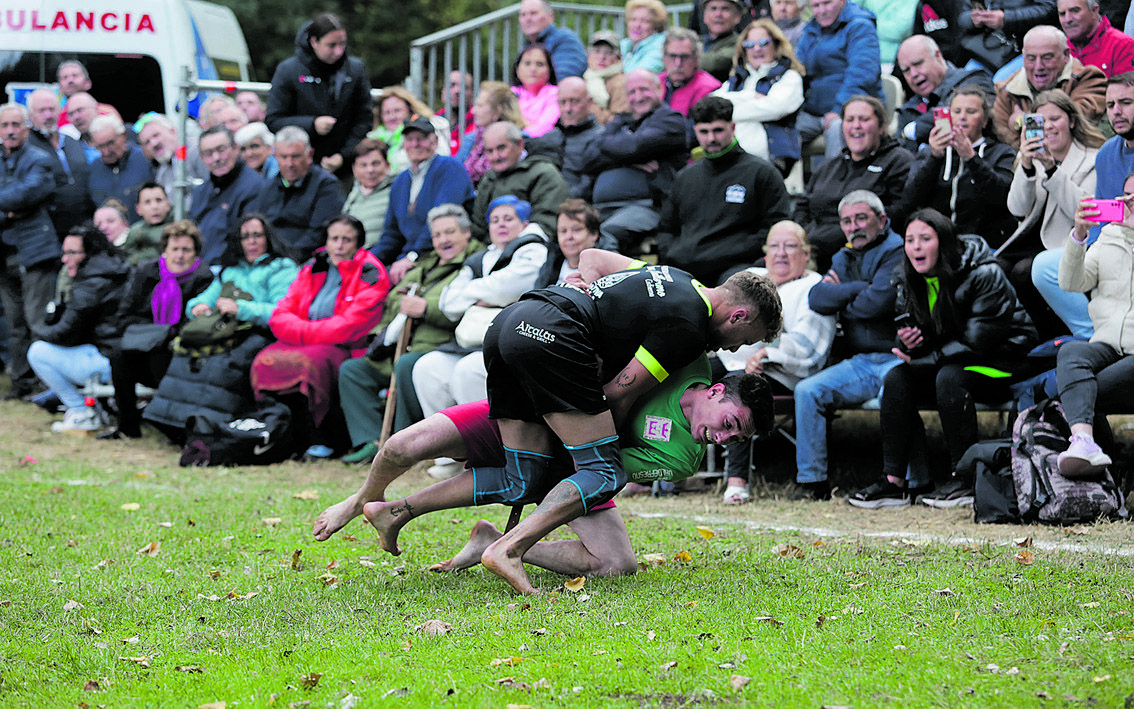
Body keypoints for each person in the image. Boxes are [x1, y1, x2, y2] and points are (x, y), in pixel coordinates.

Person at [461, 251, 781, 594]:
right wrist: (596, 439)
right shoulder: (688, 331)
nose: (735, 350)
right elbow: (617, 395)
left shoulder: (677, 277)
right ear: (739, 316)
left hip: (517, 319)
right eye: (746, 340)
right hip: (554, 346)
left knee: (497, 466)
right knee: (603, 471)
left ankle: (406, 514)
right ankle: (507, 548)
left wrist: (585, 288)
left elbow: (591, 256)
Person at [312, 359, 773, 586]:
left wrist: (531, 505)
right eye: (730, 425)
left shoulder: (682, 458)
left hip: (573, 463)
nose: (724, 440)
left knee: (617, 564)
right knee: (402, 446)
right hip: (530, 416)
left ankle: (494, 543)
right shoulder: (680, 358)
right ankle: (361, 502)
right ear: (714, 391)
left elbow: (597, 472)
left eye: (737, 440)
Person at [854, 208, 1037, 509]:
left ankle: (965, 479)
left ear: (944, 242)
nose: (915, 247)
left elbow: (977, 343)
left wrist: (924, 360)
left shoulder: (984, 273)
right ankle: (895, 482)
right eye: (910, 240)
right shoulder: (906, 276)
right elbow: (908, 326)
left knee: (950, 377)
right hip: (952, 360)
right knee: (898, 378)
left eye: (925, 238)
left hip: (1006, 361)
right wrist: (908, 342)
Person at [338, 203, 485, 465]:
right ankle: (370, 441)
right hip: (400, 345)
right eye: (437, 234)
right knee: (353, 370)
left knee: (407, 366)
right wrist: (407, 302)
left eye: (450, 232)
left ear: (466, 233)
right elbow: (394, 298)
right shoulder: (425, 263)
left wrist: (425, 308)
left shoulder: (475, 265)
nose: (443, 240)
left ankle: (404, 444)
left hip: (440, 346)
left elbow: (462, 309)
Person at [792, 190, 908, 500]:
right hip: (860, 362)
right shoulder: (844, 255)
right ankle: (812, 484)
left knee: (894, 397)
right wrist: (860, 289)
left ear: (882, 220)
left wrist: (843, 296)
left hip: (898, 359)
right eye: (846, 221)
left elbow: (877, 303)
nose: (853, 226)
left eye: (861, 218)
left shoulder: (897, 251)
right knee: (807, 391)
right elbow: (817, 299)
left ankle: (902, 482)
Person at [140, 215, 300, 439]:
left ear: (268, 238)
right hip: (226, 330)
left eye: (257, 235)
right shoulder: (231, 269)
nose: (251, 241)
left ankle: (212, 427)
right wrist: (198, 306)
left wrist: (241, 308)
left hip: (261, 333)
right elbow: (203, 299)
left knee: (222, 363)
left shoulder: (282, 268)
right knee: (187, 351)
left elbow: (282, 312)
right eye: (245, 237)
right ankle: (172, 423)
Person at [715, 221, 836, 504]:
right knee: (683, 374)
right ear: (765, 253)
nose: (781, 253)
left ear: (806, 254)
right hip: (731, 356)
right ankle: (661, 474)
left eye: (791, 246)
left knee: (740, 386)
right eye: (775, 246)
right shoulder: (750, 277)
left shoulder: (813, 286)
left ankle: (737, 479)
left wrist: (768, 354)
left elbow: (810, 343)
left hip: (784, 370)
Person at [250, 215, 390, 458]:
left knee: (310, 365)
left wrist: (302, 332)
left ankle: (321, 437)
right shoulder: (314, 265)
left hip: (346, 346)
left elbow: (351, 325)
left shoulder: (370, 271)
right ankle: (282, 434)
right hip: (307, 340)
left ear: (358, 244)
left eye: (346, 240)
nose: (338, 245)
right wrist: (305, 333)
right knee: (263, 360)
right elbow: (280, 314)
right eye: (334, 238)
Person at [411, 196, 550, 427]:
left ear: (524, 224)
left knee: (468, 370)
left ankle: (490, 453)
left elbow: (512, 287)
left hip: (513, 342)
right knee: (428, 367)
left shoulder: (534, 249)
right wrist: (488, 294)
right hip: (471, 341)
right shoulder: (480, 258)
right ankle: (451, 458)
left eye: (508, 218)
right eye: (494, 220)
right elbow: (449, 304)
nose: (501, 224)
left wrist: (474, 293)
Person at [657, 95, 792, 286]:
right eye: (704, 132)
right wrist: (673, 253)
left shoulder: (762, 172)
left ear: (733, 127)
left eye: (718, 130)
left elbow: (776, 228)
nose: (711, 138)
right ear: (695, 131)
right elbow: (666, 229)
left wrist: (738, 252)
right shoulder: (685, 177)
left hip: (736, 271)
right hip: (684, 270)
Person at [103, 220, 213, 440]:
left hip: (179, 350)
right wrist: (155, 332)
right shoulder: (146, 272)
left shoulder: (203, 278)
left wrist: (165, 334)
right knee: (119, 357)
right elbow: (124, 315)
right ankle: (127, 427)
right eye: (175, 249)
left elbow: (195, 325)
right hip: (144, 343)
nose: (179, 255)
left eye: (186, 250)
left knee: (160, 356)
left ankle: (173, 428)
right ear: (165, 250)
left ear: (195, 253)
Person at [1054, 173, 1134, 476]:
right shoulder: (1109, 238)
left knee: (1084, 393)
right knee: (1071, 353)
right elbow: (1071, 281)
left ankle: (1105, 474)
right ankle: (1084, 442)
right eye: (1125, 196)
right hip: (1109, 344)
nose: (1129, 203)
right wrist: (1078, 235)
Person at [1007, 89, 1103, 338]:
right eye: (1040, 121)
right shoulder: (1031, 159)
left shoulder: (1093, 159)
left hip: (1071, 244)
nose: (1048, 127)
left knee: (1024, 271)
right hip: (1032, 241)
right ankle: (1036, 337)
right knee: (998, 266)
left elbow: (1085, 215)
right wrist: (1027, 167)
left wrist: (1052, 170)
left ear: (1071, 121)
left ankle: (1058, 335)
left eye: (1055, 119)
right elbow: (1017, 209)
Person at [791, 95, 914, 269]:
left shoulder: (898, 161)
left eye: (864, 119)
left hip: (859, 256)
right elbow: (803, 207)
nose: (856, 125)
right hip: (809, 248)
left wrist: (827, 237)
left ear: (881, 127)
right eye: (849, 120)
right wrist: (804, 235)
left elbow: (897, 213)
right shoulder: (829, 165)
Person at [27, 225, 130, 432]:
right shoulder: (112, 270)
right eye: (64, 253)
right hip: (120, 357)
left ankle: (82, 412)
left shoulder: (92, 283)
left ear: (89, 253)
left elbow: (63, 331)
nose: (64, 259)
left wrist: (37, 331)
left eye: (71, 253)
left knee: (37, 352)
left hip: (109, 361)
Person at [581, 70, 689, 255]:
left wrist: (627, 151)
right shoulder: (621, 122)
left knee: (607, 233)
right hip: (603, 208)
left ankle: (606, 283)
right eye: (631, 92)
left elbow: (634, 147)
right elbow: (588, 158)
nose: (637, 97)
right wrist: (630, 160)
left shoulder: (671, 120)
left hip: (647, 206)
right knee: (571, 232)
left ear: (659, 88)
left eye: (643, 89)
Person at [904, 85, 1017, 248]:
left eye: (971, 112)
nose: (962, 117)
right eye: (956, 112)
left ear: (984, 121)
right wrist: (934, 159)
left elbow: (1002, 197)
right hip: (937, 245)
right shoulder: (932, 153)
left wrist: (971, 158)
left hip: (985, 244)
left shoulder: (1002, 153)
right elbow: (910, 201)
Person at [0, 102, 61, 399]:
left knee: (37, 321)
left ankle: (44, 384)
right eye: (4, 125)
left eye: (15, 125)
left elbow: (29, 192)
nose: (10, 131)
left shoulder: (40, 158)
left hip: (34, 252)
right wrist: (10, 211)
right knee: (15, 324)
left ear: (26, 128)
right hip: (4, 255)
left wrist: (15, 204)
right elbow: (16, 200)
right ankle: (21, 381)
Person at [265, 13, 372, 178]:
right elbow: (274, 120)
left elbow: (364, 120)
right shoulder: (288, 70)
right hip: (301, 168)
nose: (338, 51)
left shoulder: (355, 69)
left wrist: (344, 155)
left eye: (342, 44)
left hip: (345, 165)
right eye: (331, 45)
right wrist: (312, 124)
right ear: (314, 42)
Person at [370, 116, 475, 284]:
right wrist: (368, 260)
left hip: (441, 253)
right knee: (363, 280)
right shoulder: (400, 181)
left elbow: (441, 221)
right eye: (410, 139)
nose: (415, 144)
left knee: (389, 289)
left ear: (434, 141)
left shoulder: (450, 168)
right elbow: (392, 234)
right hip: (407, 257)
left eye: (422, 139)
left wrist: (412, 256)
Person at [711, 17, 805, 172]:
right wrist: (750, 97)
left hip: (771, 163)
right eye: (749, 45)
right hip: (729, 160)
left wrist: (729, 109)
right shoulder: (736, 80)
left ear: (776, 45)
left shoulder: (789, 77)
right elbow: (712, 105)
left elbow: (776, 108)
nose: (756, 49)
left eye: (763, 43)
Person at [992, 25, 1106, 150]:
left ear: (1066, 55)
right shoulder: (1006, 91)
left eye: (1047, 57)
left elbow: (1075, 120)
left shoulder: (1088, 79)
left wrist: (1022, 120)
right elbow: (1004, 139)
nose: (1039, 66)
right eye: (1031, 58)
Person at [795, 0, 884, 159]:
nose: (821, 10)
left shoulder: (860, 26)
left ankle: (836, 181)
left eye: (827, 3)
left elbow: (862, 74)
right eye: (816, 6)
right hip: (813, 111)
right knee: (780, 131)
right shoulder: (811, 29)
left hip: (851, 110)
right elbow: (796, 68)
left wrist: (839, 109)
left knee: (839, 128)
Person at [251, 126, 344, 262]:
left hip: (305, 261)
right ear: (275, 156)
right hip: (267, 259)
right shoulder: (267, 187)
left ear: (310, 155)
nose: (289, 163)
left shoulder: (326, 186)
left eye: (295, 157)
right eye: (283, 157)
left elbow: (319, 234)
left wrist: (285, 258)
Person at [894, 35, 995, 153]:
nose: (913, 74)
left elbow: (950, 113)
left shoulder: (974, 79)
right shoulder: (908, 110)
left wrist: (912, 130)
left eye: (918, 64)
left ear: (937, 56)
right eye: (906, 70)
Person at [470, 122, 568, 243]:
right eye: (489, 151)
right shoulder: (488, 179)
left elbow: (546, 223)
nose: (496, 156)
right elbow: (479, 227)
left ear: (520, 144)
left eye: (501, 148)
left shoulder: (543, 173)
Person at [188, 126, 267, 266]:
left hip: (232, 269)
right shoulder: (200, 192)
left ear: (235, 148)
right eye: (208, 153)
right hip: (198, 269)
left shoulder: (254, 186)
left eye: (221, 150)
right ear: (201, 158)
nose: (216, 158)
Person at [25, 88, 92, 238]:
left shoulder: (72, 141)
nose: (48, 115)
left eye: (51, 109)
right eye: (41, 110)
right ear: (30, 116)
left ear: (59, 111)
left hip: (83, 227)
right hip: (48, 232)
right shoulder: (27, 148)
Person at [524, 77, 605, 200]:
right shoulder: (548, 136)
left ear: (590, 102)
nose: (568, 109)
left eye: (574, 101)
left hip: (577, 206)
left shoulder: (602, 137)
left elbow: (591, 183)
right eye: (563, 102)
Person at [368, 87, 451, 176]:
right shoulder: (373, 139)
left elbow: (442, 157)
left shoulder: (429, 129)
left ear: (410, 110)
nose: (392, 117)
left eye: (397, 111)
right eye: (387, 112)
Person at [86, 114, 153, 224]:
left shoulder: (145, 159)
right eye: (100, 146)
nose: (106, 152)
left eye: (110, 143)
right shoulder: (93, 170)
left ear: (123, 136)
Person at [456, 82, 526, 186]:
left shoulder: (520, 139)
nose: (474, 111)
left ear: (497, 111)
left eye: (480, 106)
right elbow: (456, 173)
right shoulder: (471, 139)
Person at [535, 199, 603, 287]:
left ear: (594, 234)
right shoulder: (551, 263)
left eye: (576, 230)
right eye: (563, 231)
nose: (569, 237)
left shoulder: (609, 269)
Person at [1060, 0, 1134, 78]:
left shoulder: (1122, 45)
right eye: (1062, 14)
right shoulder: (1058, 47)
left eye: (1075, 11)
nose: (1067, 19)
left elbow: (1126, 87)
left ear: (1094, 11)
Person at [659, 27, 723, 116]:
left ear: (696, 58)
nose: (678, 63)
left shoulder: (708, 88)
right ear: (664, 57)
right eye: (673, 56)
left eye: (684, 57)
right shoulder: (654, 83)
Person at [342, 139, 394, 248]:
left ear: (387, 165)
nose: (370, 170)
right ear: (354, 169)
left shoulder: (395, 191)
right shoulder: (354, 193)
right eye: (363, 165)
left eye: (375, 164)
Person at [518, 0, 588, 79]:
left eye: (533, 13)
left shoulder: (565, 39)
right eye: (523, 15)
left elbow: (564, 79)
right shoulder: (527, 46)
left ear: (551, 16)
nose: (527, 19)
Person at [511, 44, 560, 138]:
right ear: (517, 69)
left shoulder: (555, 94)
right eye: (527, 63)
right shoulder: (510, 94)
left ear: (549, 70)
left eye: (539, 64)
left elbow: (544, 127)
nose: (533, 69)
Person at [583, 31, 629, 125]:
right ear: (588, 56)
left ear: (618, 57)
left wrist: (589, 108)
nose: (602, 57)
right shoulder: (587, 78)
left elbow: (618, 122)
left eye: (608, 52)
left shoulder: (621, 83)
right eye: (597, 51)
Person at [122, 182, 172, 265]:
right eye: (147, 202)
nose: (154, 207)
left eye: (159, 200)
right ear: (138, 209)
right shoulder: (135, 232)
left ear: (168, 204)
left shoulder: (178, 227)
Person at [700, 0, 749, 83]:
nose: (718, 14)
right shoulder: (698, 41)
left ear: (737, 16)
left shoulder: (741, 43)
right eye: (713, 8)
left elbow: (714, 64)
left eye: (725, 9)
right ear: (704, 15)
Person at [623, 0, 668, 73]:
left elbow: (639, 77)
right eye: (633, 19)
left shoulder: (660, 47)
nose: (637, 25)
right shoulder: (627, 44)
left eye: (644, 21)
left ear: (656, 26)